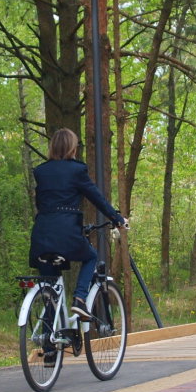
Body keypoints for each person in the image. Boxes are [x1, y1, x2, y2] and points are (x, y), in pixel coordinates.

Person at [29, 128, 127, 321]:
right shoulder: (77, 170)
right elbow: (97, 198)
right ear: (72, 148)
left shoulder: (40, 171)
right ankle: (80, 299)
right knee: (91, 257)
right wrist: (117, 219)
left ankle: (50, 348)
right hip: (66, 233)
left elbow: (40, 203)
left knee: (51, 293)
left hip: (41, 236)